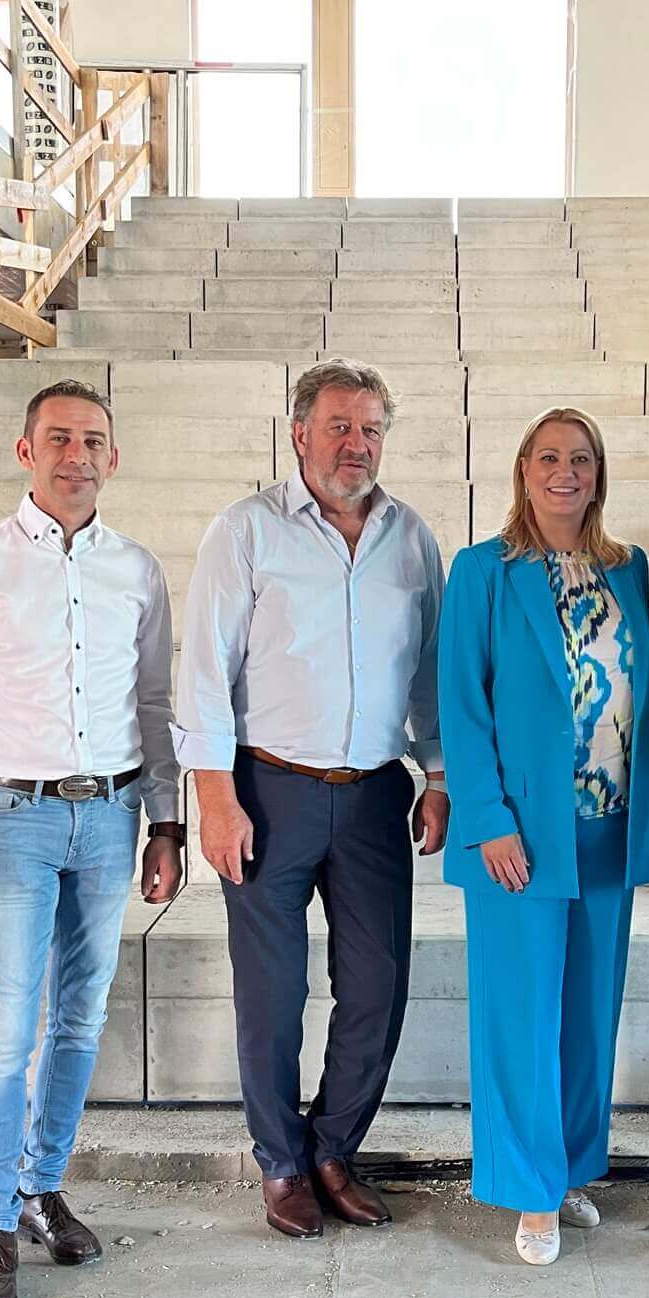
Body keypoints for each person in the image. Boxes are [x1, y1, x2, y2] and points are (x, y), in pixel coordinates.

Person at [0, 380, 183, 1298]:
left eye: (94, 441)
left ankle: (39, 1188)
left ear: (114, 457)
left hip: (109, 819)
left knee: (81, 1017)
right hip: (10, 820)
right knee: (7, 1031)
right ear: (25, 451)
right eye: (59, 439)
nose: (78, 456)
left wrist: (167, 820)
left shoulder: (137, 570)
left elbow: (153, 705)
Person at [174, 358, 448, 1239]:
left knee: (377, 985)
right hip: (266, 790)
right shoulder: (245, 531)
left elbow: (431, 675)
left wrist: (437, 776)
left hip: (374, 796)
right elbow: (205, 673)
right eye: (338, 425)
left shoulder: (412, 538)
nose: (355, 444)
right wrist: (215, 798)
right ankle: (282, 1163)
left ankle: (333, 1147)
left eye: (370, 429)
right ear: (299, 434)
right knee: (274, 992)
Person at [438, 409, 649, 1266]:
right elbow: (462, 709)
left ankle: (567, 1167)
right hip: (521, 836)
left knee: (586, 1011)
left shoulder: (629, 568)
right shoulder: (483, 572)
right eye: (548, 457)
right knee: (520, 1013)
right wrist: (488, 820)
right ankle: (527, 1193)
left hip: (609, 826)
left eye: (581, 458)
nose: (565, 471)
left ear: (599, 474)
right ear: (522, 470)